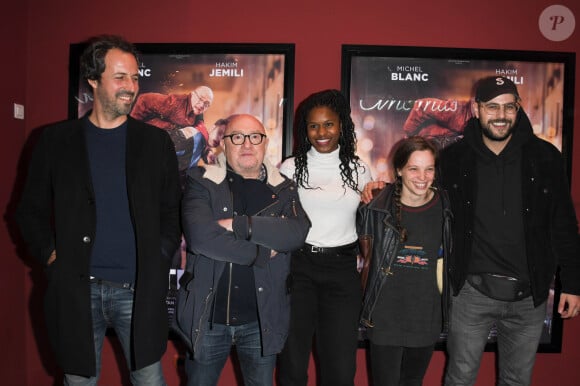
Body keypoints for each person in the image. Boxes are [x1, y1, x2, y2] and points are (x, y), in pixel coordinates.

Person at [15, 35, 182, 384]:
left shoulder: (155, 143)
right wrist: (50, 256)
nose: (131, 86)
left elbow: (172, 211)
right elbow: (28, 211)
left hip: (137, 289)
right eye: (120, 77)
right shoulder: (55, 141)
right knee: (78, 382)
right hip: (77, 289)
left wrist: (160, 255)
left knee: (150, 379)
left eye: (135, 78)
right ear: (93, 79)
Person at [440, 76, 580, 385]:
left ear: (518, 109)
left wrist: (572, 283)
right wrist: (380, 193)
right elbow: (427, 204)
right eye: (492, 107)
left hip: (529, 297)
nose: (501, 115)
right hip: (471, 293)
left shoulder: (546, 158)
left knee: (516, 381)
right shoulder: (453, 159)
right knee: (459, 378)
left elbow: (564, 223)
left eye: (509, 107)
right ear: (476, 110)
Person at [174, 113, 310, 386]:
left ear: (265, 143)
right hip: (207, 319)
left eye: (254, 137)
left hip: (261, 322)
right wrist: (260, 252)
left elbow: (296, 233)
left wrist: (237, 225)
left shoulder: (284, 189)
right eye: (237, 137)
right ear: (224, 143)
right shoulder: (201, 181)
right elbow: (201, 239)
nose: (247, 144)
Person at [277, 89, 373, 386]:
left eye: (328, 124)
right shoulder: (289, 168)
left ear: (341, 125)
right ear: (305, 130)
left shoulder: (359, 170)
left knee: (341, 369)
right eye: (313, 125)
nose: (321, 132)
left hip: (342, 272)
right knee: (292, 364)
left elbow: (371, 221)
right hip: (298, 268)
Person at [358, 136, 452, 386]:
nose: (422, 177)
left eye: (429, 169)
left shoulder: (446, 206)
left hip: (425, 316)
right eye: (414, 168)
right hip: (384, 315)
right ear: (399, 170)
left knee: (412, 382)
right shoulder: (376, 205)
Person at [130, 86, 215, 171]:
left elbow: (202, 135)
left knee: (197, 135)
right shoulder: (175, 103)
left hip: (165, 148)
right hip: (150, 142)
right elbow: (144, 99)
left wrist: (207, 152)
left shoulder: (197, 114)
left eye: (206, 104)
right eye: (200, 99)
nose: (202, 105)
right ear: (192, 94)